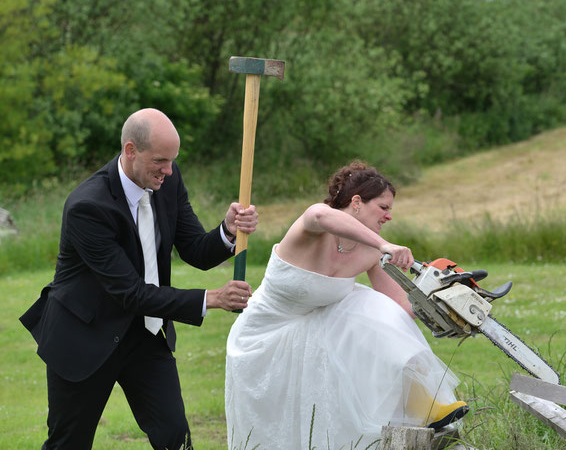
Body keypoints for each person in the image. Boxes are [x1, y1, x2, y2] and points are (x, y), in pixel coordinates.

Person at [20, 108, 258, 450]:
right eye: (160, 160)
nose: (169, 170)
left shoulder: (168, 182)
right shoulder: (87, 207)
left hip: (145, 335)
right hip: (83, 337)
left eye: (173, 160)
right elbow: (130, 292)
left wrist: (227, 231)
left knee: (176, 437)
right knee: (67, 444)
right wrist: (211, 299)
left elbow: (194, 250)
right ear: (130, 150)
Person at [225, 161, 467, 449]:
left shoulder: (370, 251)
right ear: (355, 202)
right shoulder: (316, 224)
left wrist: (442, 306)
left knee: (368, 304)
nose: (389, 216)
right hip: (263, 339)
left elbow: (400, 308)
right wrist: (383, 244)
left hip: (315, 333)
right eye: (383, 207)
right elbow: (319, 214)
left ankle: (424, 403)